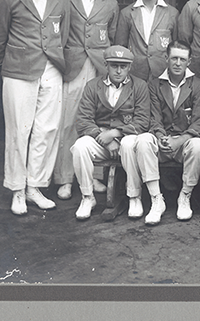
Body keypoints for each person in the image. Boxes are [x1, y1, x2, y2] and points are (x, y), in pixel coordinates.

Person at [0, 0, 71, 215]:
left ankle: (35, 186)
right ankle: (17, 189)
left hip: (52, 69)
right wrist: (6, 64)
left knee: (46, 129)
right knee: (19, 130)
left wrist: (55, 60)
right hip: (19, 71)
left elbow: (63, 34)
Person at [71, 45, 166, 224]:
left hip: (125, 140)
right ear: (106, 65)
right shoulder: (93, 86)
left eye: (123, 66)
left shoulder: (139, 86)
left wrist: (116, 133)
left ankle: (134, 196)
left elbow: (142, 121)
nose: (119, 70)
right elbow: (83, 120)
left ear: (130, 67)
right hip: (101, 141)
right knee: (80, 146)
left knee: (129, 143)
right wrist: (105, 138)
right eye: (114, 65)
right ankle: (87, 196)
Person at [55, 0, 120, 201]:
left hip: (98, 67)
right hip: (73, 66)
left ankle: (92, 176)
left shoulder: (110, 3)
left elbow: (112, 38)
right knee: (69, 121)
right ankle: (65, 178)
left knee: (97, 120)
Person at [148, 41, 200, 221]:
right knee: (143, 140)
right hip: (162, 143)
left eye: (182, 59)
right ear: (166, 58)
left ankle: (185, 195)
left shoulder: (198, 85)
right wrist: (160, 136)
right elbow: (153, 117)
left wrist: (180, 140)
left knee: (198, 145)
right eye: (174, 58)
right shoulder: (155, 84)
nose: (177, 63)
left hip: (185, 144)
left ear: (189, 61)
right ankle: (156, 198)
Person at [114, 0, 179, 82]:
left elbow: (176, 46)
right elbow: (120, 45)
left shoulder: (172, 13)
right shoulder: (127, 13)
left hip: (162, 71)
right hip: (136, 72)